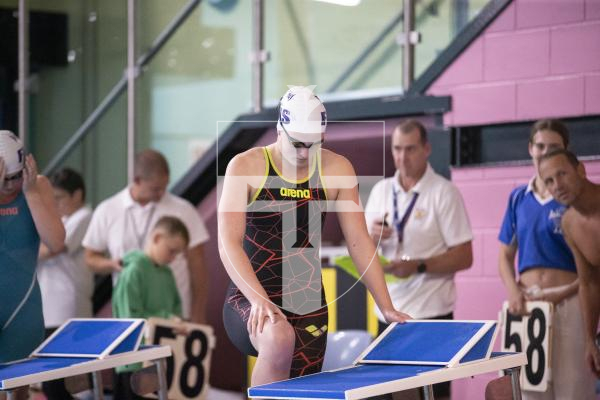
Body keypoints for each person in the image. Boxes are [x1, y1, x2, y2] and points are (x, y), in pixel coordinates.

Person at [219, 86, 410, 386]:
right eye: (298, 144)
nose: (306, 154)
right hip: (250, 294)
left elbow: (359, 241)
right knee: (278, 337)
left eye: (315, 144)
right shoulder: (245, 166)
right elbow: (228, 241)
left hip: (307, 299)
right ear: (279, 129)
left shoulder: (338, 169)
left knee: (303, 389)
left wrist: (385, 305)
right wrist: (258, 300)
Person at [364, 119, 473, 399]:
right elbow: (362, 249)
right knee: (391, 395)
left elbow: (464, 256)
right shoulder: (381, 191)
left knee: (432, 395)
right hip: (388, 315)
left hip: (431, 316)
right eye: (397, 149)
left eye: (410, 149)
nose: (402, 157)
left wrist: (419, 265)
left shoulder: (444, 192)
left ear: (426, 149)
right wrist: (370, 234)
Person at [498, 120, 595, 399]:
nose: (545, 152)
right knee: (528, 390)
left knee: (573, 388)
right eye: (540, 146)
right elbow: (504, 256)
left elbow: (591, 266)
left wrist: (568, 290)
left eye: (553, 147)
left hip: (571, 300)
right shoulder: (519, 198)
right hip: (528, 306)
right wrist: (514, 292)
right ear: (531, 149)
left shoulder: (572, 196)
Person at [82, 149, 210, 323]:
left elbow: (198, 266)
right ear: (137, 181)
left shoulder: (183, 210)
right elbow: (90, 257)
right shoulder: (108, 210)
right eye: (156, 189)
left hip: (176, 316)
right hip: (131, 315)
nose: (161, 194)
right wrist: (111, 264)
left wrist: (198, 315)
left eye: (165, 187)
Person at [0, 130, 65, 399]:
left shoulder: (38, 186)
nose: (11, 185)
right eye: (5, 180)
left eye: (16, 177)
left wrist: (32, 193)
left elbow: (56, 242)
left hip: (22, 308)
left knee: (19, 390)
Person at [112, 216, 190, 400]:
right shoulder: (133, 271)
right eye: (171, 251)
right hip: (132, 362)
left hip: (159, 360)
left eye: (177, 254)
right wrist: (167, 320)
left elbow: (176, 308)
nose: (173, 258)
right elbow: (129, 320)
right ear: (156, 238)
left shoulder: (167, 274)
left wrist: (177, 324)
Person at [539, 149, 600, 380]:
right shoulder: (570, 224)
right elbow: (589, 284)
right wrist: (590, 340)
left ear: (581, 170)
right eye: (549, 181)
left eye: (562, 174)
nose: (557, 185)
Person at [37, 167, 94, 400]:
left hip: (68, 309)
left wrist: (21, 250)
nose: (55, 203)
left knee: (68, 385)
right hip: (49, 309)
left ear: (77, 195)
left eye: (59, 197)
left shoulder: (84, 216)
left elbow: (55, 247)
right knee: (52, 383)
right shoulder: (58, 220)